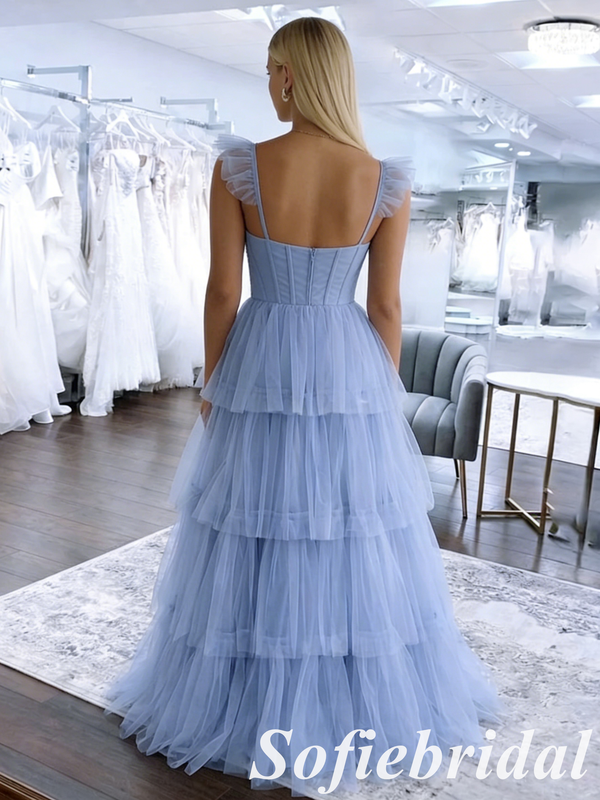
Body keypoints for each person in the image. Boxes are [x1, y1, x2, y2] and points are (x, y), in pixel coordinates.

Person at [103, 16, 506, 796]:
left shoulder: (241, 168)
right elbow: (385, 307)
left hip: (259, 358)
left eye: (270, 69)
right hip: (346, 358)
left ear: (291, 76)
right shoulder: (382, 179)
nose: (267, 83)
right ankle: (347, 697)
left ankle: (246, 697)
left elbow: (223, 292)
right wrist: (379, 397)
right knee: (346, 531)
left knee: (251, 523)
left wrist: (213, 383)